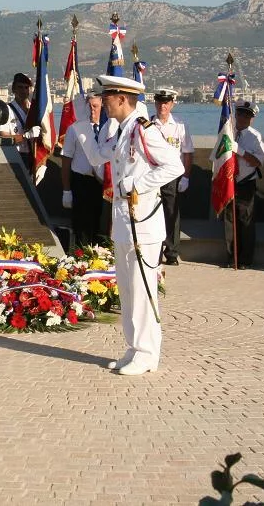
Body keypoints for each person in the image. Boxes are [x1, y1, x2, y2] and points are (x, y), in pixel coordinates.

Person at [77, 75, 183, 375]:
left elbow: (174, 166)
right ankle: (135, 347)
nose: (103, 101)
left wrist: (135, 184)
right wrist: (82, 125)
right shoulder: (124, 131)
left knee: (141, 287)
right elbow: (100, 156)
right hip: (125, 221)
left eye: (107, 96)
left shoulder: (143, 131)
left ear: (122, 98)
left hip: (144, 223)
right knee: (126, 288)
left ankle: (148, 352)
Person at [61, 91, 110, 248]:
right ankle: (81, 258)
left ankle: (98, 258)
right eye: (89, 106)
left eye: (95, 106)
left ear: (102, 106)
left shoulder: (108, 128)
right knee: (82, 225)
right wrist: (66, 191)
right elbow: (66, 160)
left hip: (103, 182)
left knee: (100, 223)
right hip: (82, 182)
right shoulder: (75, 129)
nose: (92, 110)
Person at [151, 87, 194, 265]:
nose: (163, 106)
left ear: (172, 104)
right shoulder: (147, 124)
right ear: (155, 103)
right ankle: (153, 252)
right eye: (160, 102)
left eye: (166, 102)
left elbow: (188, 153)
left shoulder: (180, 126)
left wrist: (186, 177)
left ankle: (171, 253)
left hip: (171, 177)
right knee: (151, 214)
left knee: (171, 215)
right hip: (152, 176)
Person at [224, 101, 264, 269]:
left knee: (246, 222)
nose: (242, 118)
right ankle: (231, 257)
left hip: (245, 183)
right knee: (229, 222)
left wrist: (239, 150)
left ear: (252, 118)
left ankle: (245, 260)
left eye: (246, 115)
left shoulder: (256, 137)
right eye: (240, 114)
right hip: (229, 181)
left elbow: (258, 161)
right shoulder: (228, 133)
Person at [0, 72, 39, 173]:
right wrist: (26, 136)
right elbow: (3, 138)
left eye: (26, 87)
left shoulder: (34, 110)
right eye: (20, 87)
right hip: (15, 156)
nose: (23, 91)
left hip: (33, 156)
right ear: (14, 90)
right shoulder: (6, 110)